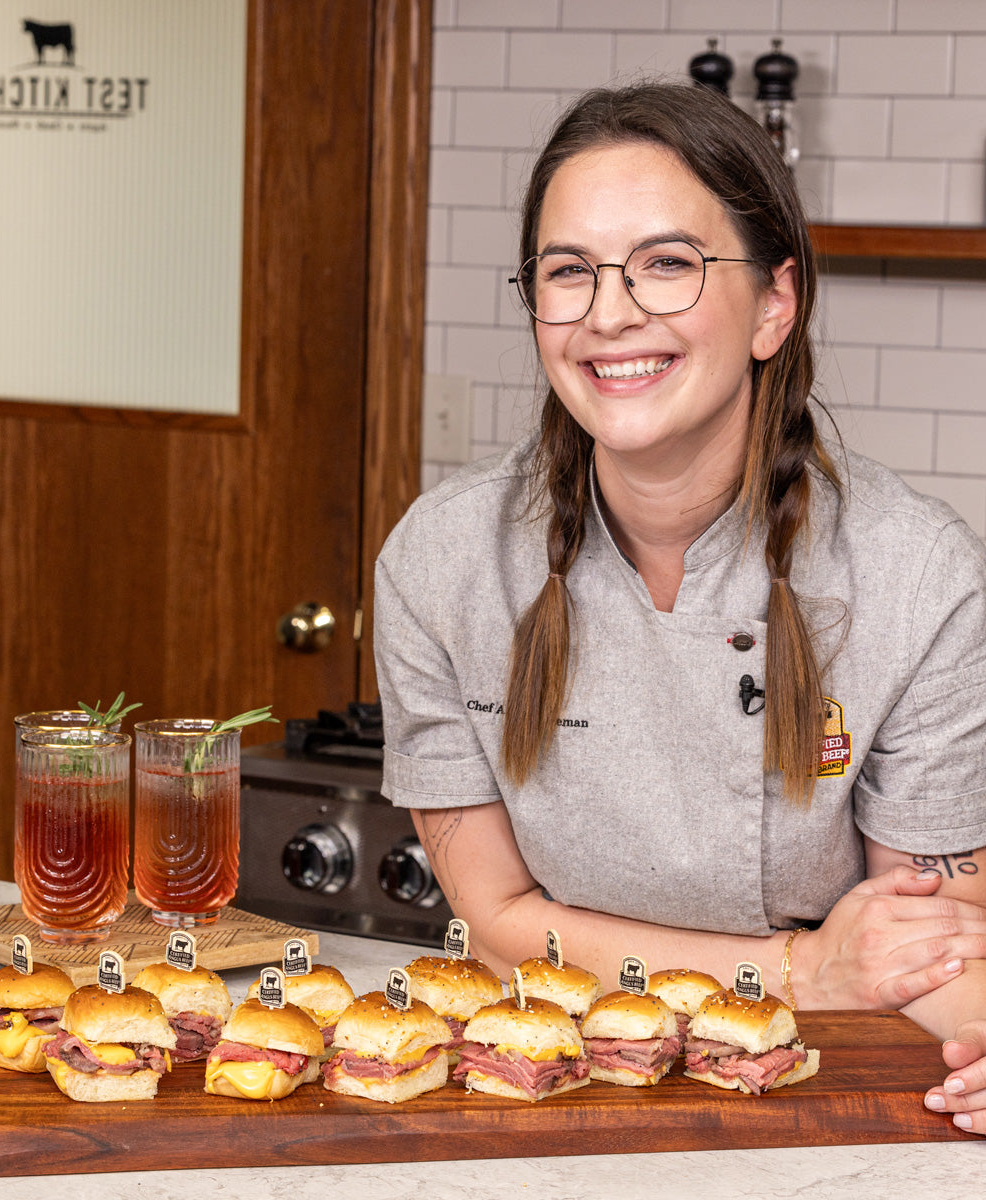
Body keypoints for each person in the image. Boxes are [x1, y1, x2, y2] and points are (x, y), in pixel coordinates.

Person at [374, 82, 986, 1133]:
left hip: (817, 1085)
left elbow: (922, 942)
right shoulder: (442, 562)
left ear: (774, 306)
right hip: (541, 1079)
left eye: (667, 264)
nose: (610, 314)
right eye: (569, 272)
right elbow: (497, 918)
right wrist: (797, 967)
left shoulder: (916, 575)